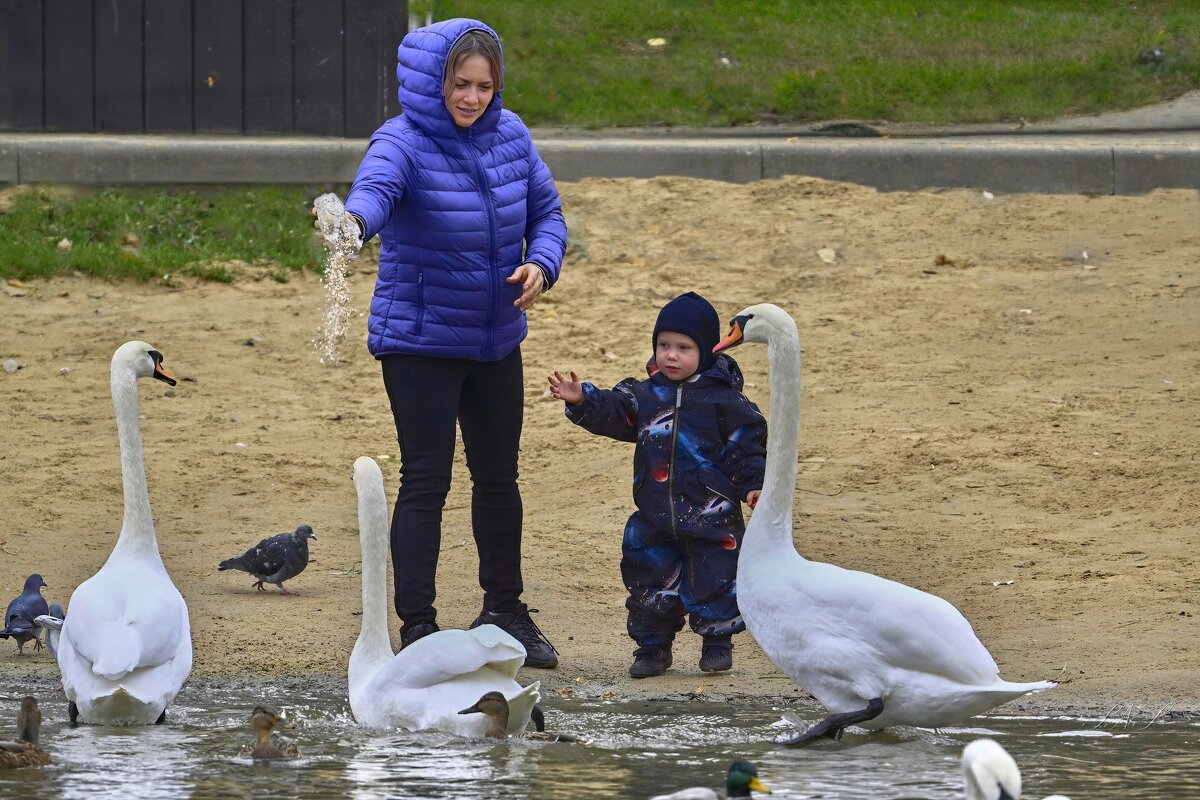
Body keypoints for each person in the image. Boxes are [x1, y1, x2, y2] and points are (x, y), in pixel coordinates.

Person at [335, 18, 567, 668]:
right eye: (460, 85)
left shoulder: (512, 136)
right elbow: (374, 196)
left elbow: (548, 214)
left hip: (495, 339)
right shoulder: (400, 142)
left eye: (483, 86)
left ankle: (506, 610)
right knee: (427, 479)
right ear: (432, 84)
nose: (472, 98)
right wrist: (351, 225)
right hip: (420, 343)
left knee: (499, 478)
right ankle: (419, 630)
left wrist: (542, 266)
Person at [547, 292, 767, 677]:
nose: (671, 355)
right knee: (648, 580)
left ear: (706, 350)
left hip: (712, 516)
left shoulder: (727, 402)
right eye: (664, 345)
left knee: (716, 577)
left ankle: (717, 639)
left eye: (683, 347)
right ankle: (653, 647)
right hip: (653, 515)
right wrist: (583, 400)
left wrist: (754, 487)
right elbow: (616, 414)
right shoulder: (645, 395)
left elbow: (747, 452)